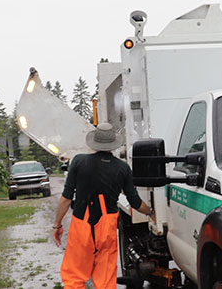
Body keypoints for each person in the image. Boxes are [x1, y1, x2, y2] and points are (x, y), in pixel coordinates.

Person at [52, 123, 153, 289]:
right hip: (107, 227)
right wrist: (150, 212)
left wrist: (57, 224)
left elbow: (66, 198)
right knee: (105, 280)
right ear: (113, 145)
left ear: (94, 143)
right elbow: (134, 202)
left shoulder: (78, 161)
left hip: (81, 224)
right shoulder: (123, 168)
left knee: (74, 278)